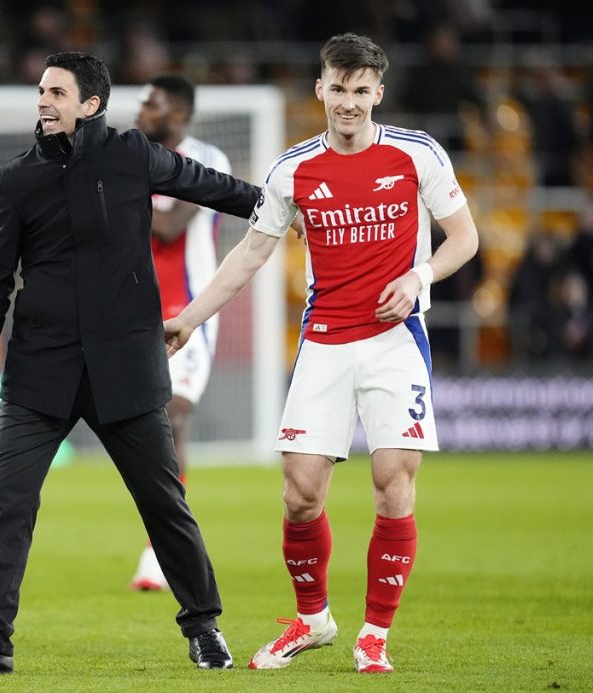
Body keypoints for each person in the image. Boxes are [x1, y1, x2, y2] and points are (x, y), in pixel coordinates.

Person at [0, 51, 261, 676]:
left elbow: (212, 188)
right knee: (8, 507)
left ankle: (203, 626)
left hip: (125, 367)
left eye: (56, 92)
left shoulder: (132, 154)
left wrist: (283, 206)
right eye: (41, 91)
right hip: (38, 372)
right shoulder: (18, 177)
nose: (43, 101)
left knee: (163, 503)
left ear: (90, 105)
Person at [163, 33, 479, 674]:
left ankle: (374, 635)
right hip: (325, 342)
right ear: (320, 89)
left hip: (396, 344)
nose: (350, 102)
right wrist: (191, 318)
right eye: (339, 88)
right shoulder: (292, 170)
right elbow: (251, 253)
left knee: (394, 484)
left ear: (378, 94)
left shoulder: (419, 154)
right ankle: (313, 620)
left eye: (362, 91)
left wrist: (419, 278)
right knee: (301, 494)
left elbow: (465, 239)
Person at [129, 74, 231, 592]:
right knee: (140, 429)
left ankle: (160, 553)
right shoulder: (127, 155)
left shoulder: (207, 160)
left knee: (173, 416)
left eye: (153, 103)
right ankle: (162, 540)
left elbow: (169, 227)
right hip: (127, 311)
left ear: (180, 116)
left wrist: (115, 190)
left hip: (186, 313)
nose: (141, 109)